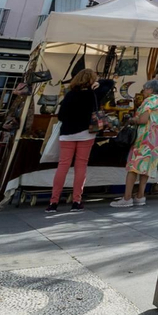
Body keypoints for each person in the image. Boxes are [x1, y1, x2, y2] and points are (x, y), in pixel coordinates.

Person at [49, 69, 100, 213]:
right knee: (81, 167)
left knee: (63, 166)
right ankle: (76, 200)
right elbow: (108, 86)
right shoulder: (92, 95)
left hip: (67, 134)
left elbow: (61, 116)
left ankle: (53, 202)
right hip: (86, 134)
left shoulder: (69, 94)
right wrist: (97, 85)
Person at [113, 78, 158, 209]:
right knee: (145, 169)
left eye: (145, 89)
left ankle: (127, 198)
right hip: (155, 140)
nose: (143, 92)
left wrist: (132, 120)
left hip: (144, 138)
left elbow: (143, 120)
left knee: (133, 167)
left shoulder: (149, 101)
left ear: (151, 89)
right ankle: (140, 196)